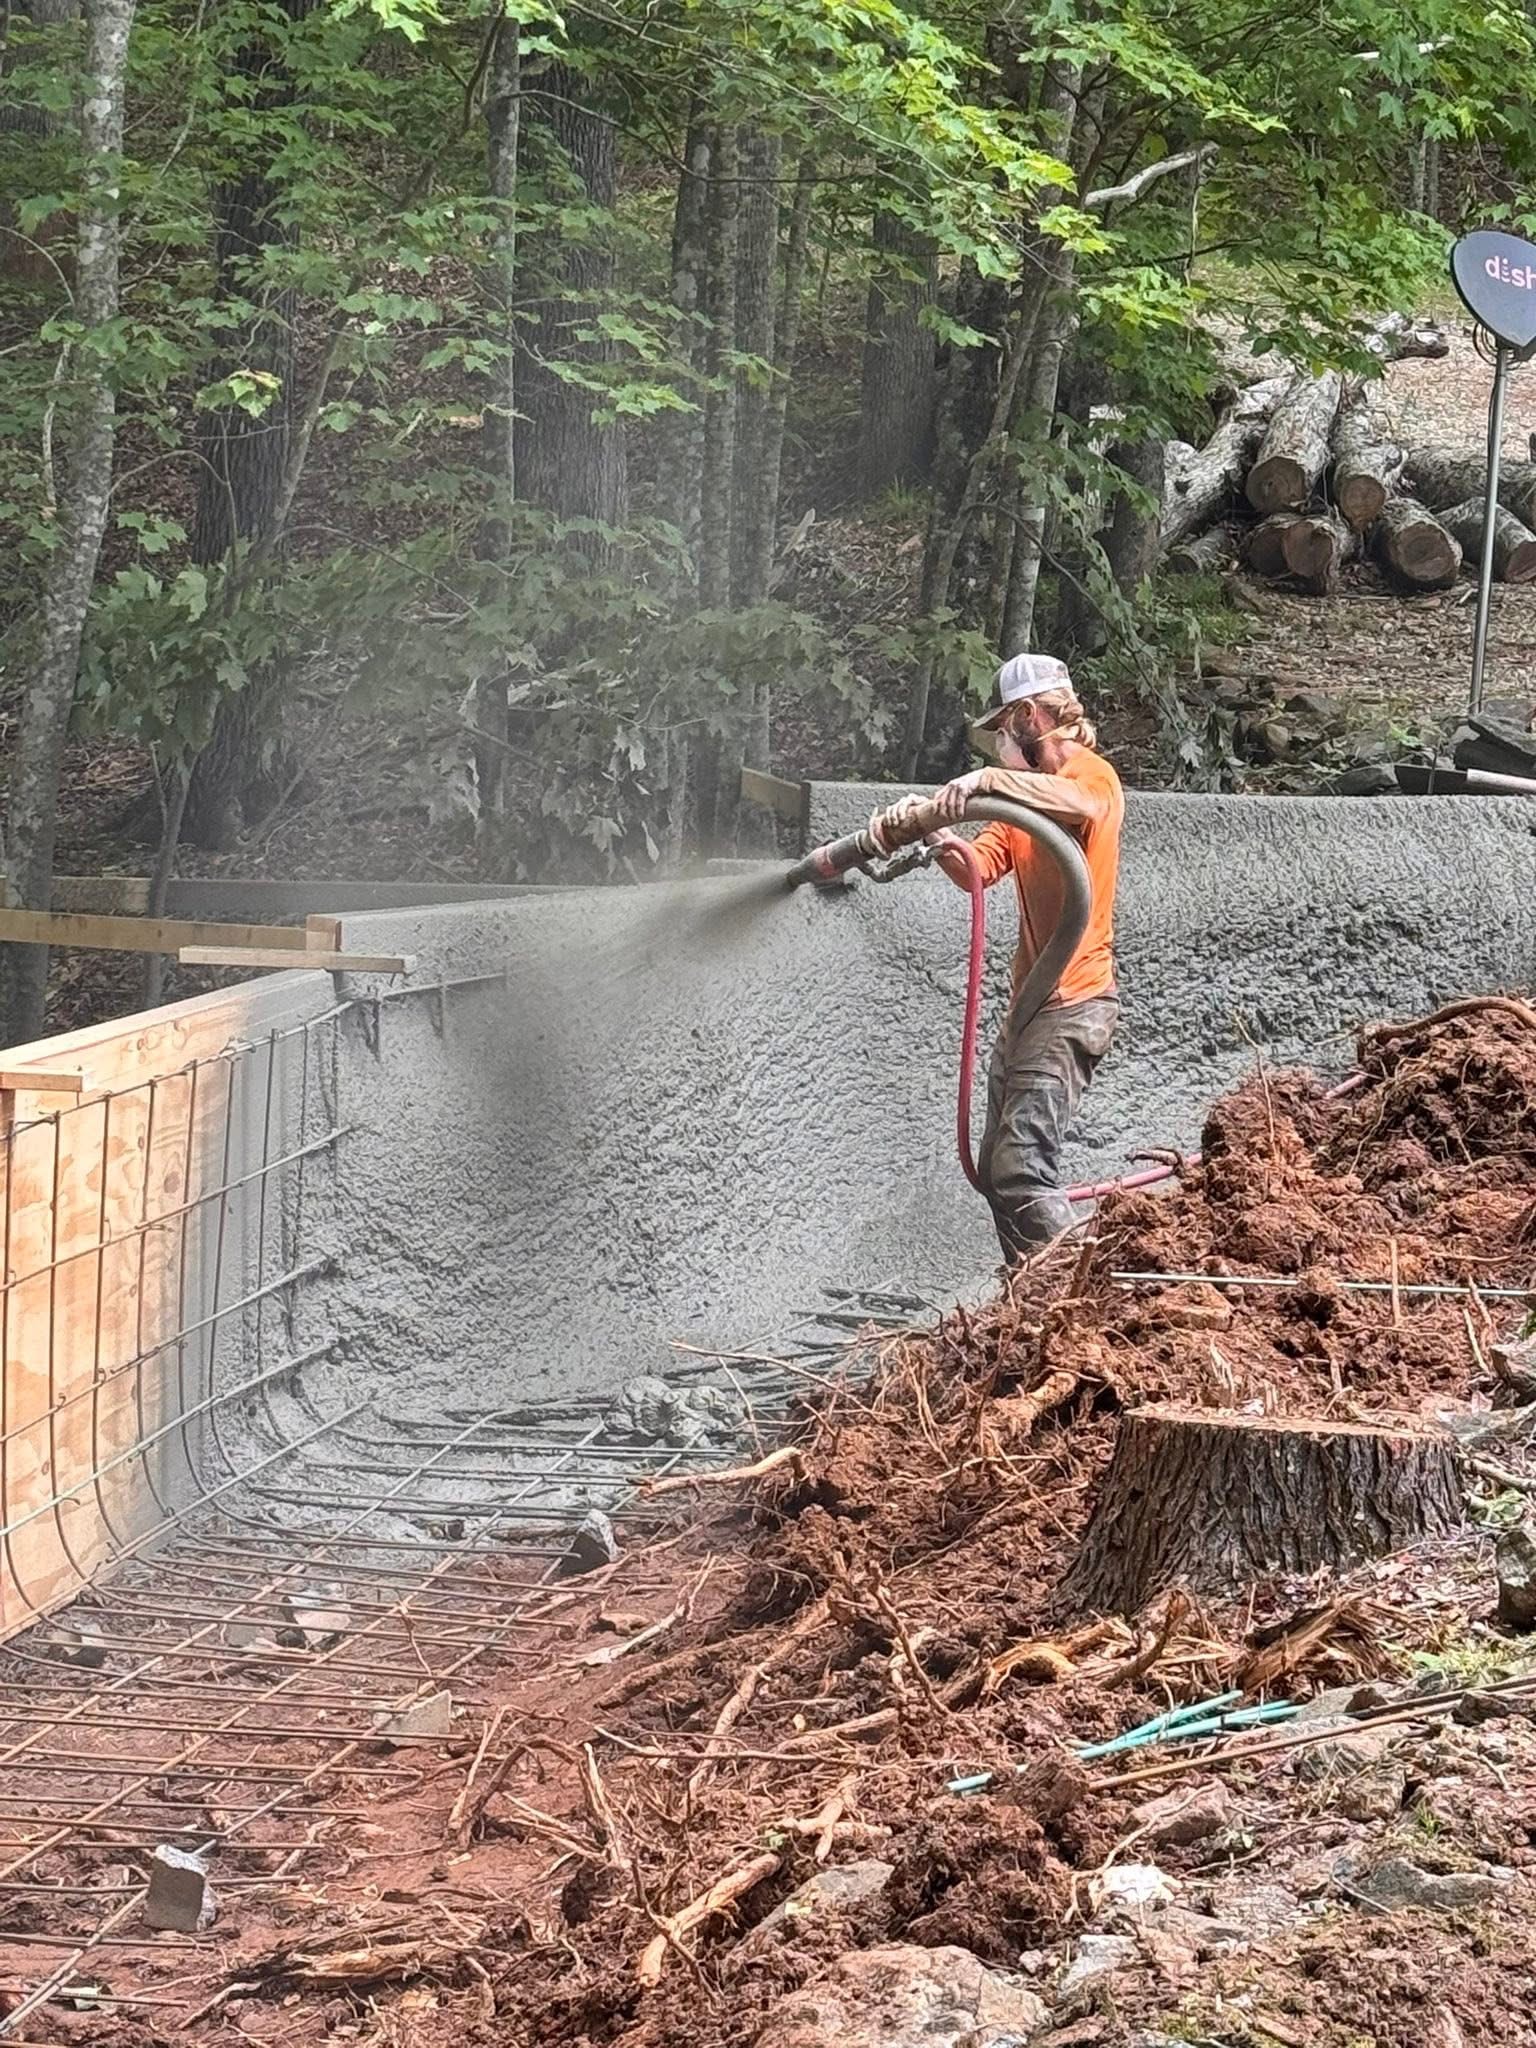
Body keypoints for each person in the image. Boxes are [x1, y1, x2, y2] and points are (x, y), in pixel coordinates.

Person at [930, 652, 1123, 1263]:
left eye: (1005, 728)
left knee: (1020, 1169)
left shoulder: (1093, 778)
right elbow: (977, 871)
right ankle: (1028, 1304)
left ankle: (1084, 1289)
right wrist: (938, 837)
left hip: (1074, 1002)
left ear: (1028, 715)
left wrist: (988, 782)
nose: (1000, 745)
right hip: (1028, 1009)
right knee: (994, 1169)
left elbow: (1085, 809)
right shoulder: (1024, 806)